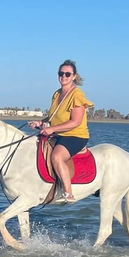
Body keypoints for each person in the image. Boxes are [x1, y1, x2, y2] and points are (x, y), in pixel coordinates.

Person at [28, 59, 94, 203]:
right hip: (58, 133)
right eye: (61, 73)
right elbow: (54, 116)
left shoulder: (77, 95)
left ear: (74, 76)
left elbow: (75, 122)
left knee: (57, 157)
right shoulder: (57, 94)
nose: (63, 76)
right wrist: (41, 123)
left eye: (67, 74)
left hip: (75, 135)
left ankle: (68, 193)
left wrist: (51, 128)